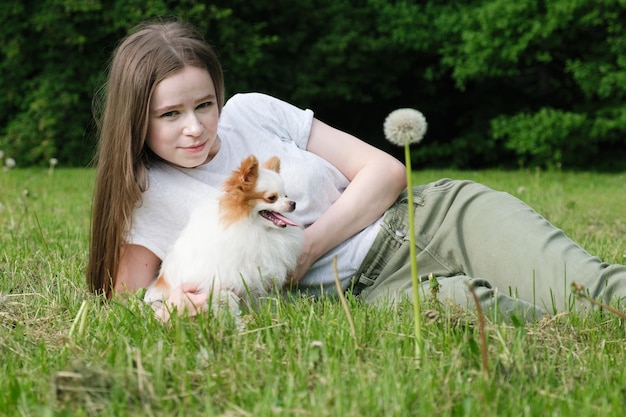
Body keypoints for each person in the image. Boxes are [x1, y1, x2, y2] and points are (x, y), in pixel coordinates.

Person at [87, 18, 626, 322]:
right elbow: (126, 306)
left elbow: (386, 172)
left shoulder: (252, 111)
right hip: (373, 291)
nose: (197, 128)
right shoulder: (148, 196)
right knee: (541, 322)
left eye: (205, 104)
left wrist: (305, 249)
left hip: (433, 217)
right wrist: (171, 303)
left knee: (595, 290)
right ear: (135, 120)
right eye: (170, 115)